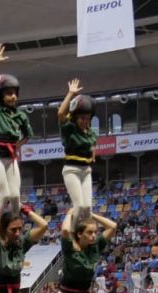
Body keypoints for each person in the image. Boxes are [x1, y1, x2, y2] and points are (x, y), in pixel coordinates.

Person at [0, 43, 31, 213]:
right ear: (0, 95)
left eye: (15, 93)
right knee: (3, 195)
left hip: (10, 157)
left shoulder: (21, 115)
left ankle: (15, 226)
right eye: (9, 93)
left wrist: (16, 146)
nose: (13, 96)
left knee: (16, 196)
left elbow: (27, 135)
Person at [57, 78, 95, 222]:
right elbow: (60, 114)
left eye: (87, 118)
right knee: (78, 207)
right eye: (82, 118)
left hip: (86, 171)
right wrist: (70, 94)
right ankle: (70, 237)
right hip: (71, 170)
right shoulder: (69, 129)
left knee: (88, 209)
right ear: (75, 117)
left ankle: (84, 238)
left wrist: (93, 153)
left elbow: (93, 143)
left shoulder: (91, 132)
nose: (85, 121)